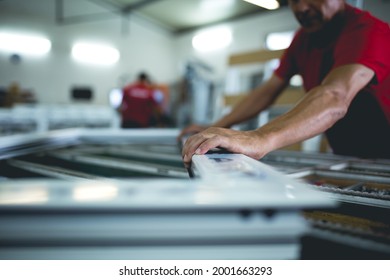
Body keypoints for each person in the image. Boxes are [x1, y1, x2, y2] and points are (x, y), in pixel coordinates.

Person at [181, 0, 390, 165]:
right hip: (350, 157)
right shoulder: (303, 40)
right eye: (294, 0)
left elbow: (334, 96)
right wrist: (218, 126)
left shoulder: (369, 31)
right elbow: (267, 91)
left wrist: (259, 138)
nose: (301, 8)